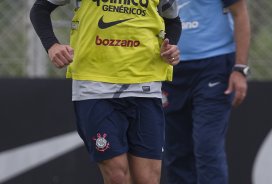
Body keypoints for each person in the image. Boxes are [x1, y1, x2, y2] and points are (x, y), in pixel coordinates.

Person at [30, 0, 181, 183]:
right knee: (117, 176)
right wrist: (52, 45)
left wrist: (171, 45)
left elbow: (172, 20)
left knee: (147, 179)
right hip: (95, 87)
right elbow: (40, 8)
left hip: (145, 86)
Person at [162, 0, 251, 183]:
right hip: (170, 68)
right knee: (176, 150)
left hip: (214, 66)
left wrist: (240, 69)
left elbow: (240, 13)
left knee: (207, 147)